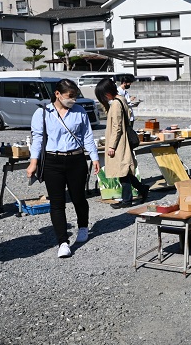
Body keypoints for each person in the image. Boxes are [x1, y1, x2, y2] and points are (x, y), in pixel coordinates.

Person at [26, 79, 100, 258]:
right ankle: (63, 242)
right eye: (70, 96)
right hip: (52, 161)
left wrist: (94, 157)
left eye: (75, 96)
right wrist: (33, 162)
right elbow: (37, 139)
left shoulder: (80, 111)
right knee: (57, 203)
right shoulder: (42, 113)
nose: (73, 100)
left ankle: (83, 226)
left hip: (76, 159)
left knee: (78, 197)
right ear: (57, 94)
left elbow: (87, 136)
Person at [95, 78, 150, 209]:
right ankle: (142, 189)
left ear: (106, 93)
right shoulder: (121, 99)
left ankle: (127, 200)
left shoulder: (115, 104)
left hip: (119, 142)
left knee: (122, 171)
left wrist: (111, 146)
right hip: (122, 140)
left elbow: (116, 126)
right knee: (125, 171)